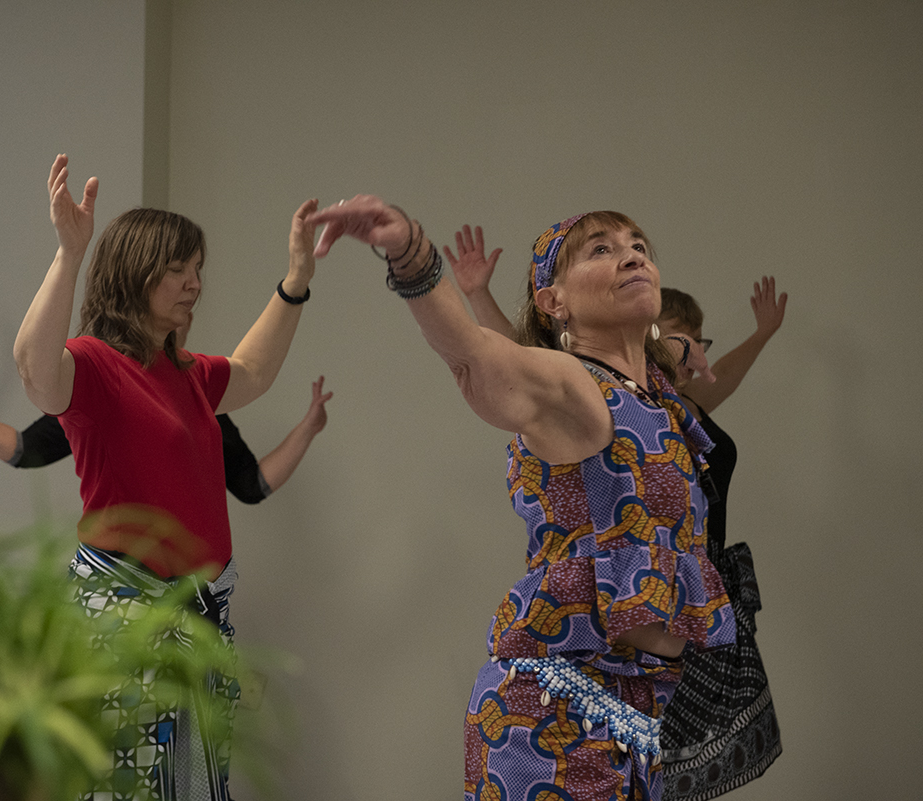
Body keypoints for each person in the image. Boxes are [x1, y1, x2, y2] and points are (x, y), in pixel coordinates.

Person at [308, 199, 734, 801]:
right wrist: (409, 253)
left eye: (638, 245)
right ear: (553, 301)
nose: (632, 255)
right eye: (602, 249)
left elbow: (667, 358)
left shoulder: (657, 400)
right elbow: (470, 351)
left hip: (642, 713)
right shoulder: (573, 386)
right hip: (553, 718)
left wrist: (687, 346)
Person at [12, 154, 317, 801]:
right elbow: (35, 370)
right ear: (136, 271)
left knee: (193, 786)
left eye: (197, 268)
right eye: (179, 268)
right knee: (123, 789)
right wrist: (69, 253)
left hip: (196, 616)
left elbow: (253, 371)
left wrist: (295, 280)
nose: (194, 283)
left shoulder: (187, 372)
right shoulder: (96, 366)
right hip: (126, 621)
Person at [0, 327, 332, 500]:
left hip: (189, 583)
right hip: (118, 579)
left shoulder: (202, 396)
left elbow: (251, 484)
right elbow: (26, 450)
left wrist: (308, 428)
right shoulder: (101, 389)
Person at [655, 282, 786, 800]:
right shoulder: (627, 406)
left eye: (699, 340)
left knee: (685, 756)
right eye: (682, 339)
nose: (696, 352)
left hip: (706, 591)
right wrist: (480, 296)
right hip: (665, 596)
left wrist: (762, 334)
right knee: (654, 752)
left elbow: (724, 377)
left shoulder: (684, 403)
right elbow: (534, 361)